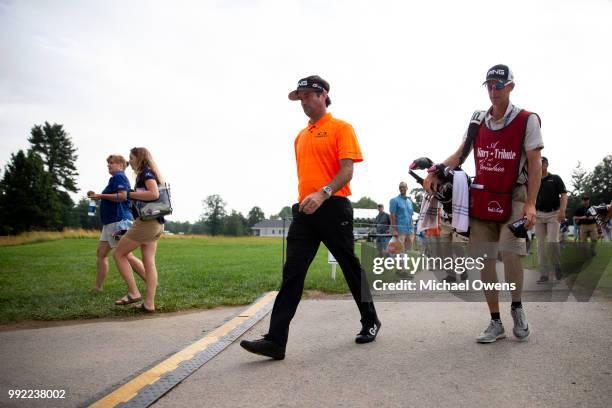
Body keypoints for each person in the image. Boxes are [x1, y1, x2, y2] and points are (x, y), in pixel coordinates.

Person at [240, 75, 380, 360]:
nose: (302, 101)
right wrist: (310, 199)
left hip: (333, 206)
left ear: (323, 95)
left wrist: (323, 193)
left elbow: (346, 171)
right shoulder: (300, 136)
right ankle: (275, 341)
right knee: (292, 273)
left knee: (350, 266)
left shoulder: (342, 128)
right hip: (305, 212)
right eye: (299, 97)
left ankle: (371, 321)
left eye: (306, 95)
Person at [424, 64, 543, 343]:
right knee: (485, 259)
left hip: (514, 195)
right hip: (483, 196)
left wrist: (531, 204)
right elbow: (461, 154)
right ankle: (495, 321)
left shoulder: (527, 120)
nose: (493, 91)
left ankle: (517, 307)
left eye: (498, 86)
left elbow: (535, 164)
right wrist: (435, 170)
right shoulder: (478, 120)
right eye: (489, 85)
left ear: (511, 87)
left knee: (511, 251)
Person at [113, 147, 165, 312]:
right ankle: (149, 304)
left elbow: (154, 194)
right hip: (156, 223)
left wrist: (130, 194)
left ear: (140, 158)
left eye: (131, 157)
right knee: (149, 263)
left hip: (147, 223)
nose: (129, 161)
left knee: (119, 254)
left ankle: (134, 292)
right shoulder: (149, 173)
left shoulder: (146, 173)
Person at [87, 155, 146, 292]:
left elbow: (122, 196)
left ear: (120, 164)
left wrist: (100, 196)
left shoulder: (119, 177)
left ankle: (150, 282)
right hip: (110, 223)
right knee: (101, 254)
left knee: (126, 255)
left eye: (111, 163)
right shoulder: (114, 179)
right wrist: (98, 197)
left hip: (119, 222)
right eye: (108, 163)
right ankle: (98, 287)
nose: (108, 165)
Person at [535, 157, 567, 283]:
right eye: (537, 162)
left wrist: (562, 211)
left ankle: (558, 267)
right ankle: (544, 274)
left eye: (541, 162)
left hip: (554, 214)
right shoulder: (533, 179)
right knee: (540, 245)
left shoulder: (555, 178)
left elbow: (564, 194)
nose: (539, 164)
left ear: (547, 164)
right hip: (538, 214)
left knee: (553, 242)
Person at [389, 182, 414, 252]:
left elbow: (411, 216)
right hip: (400, 231)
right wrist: (394, 230)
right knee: (399, 252)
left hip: (410, 231)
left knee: (408, 251)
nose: (401, 188)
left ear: (407, 188)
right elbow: (392, 216)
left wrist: (413, 230)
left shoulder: (410, 202)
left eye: (403, 187)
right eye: (400, 187)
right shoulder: (394, 200)